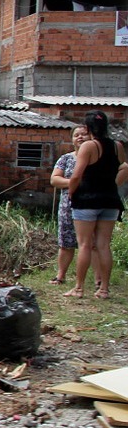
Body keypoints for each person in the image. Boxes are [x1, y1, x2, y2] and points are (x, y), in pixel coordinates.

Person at [66, 111, 126, 299]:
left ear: (88, 128)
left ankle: (79, 288)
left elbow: (76, 176)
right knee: (103, 245)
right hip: (110, 200)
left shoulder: (88, 146)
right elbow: (123, 166)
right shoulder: (117, 146)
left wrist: (71, 192)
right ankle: (104, 289)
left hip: (87, 200)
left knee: (84, 244)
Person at [50, 126, 93, 284]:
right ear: (72, 139)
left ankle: (97, 281)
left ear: (91, 137)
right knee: (66, 243)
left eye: (84, 134)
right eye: (76, 135)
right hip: (68, 206)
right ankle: (60, 276)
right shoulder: (66, 159)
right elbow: (55, 179)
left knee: (92, 243)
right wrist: (74, 183)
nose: (80, 137)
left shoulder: (96, 159)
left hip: (91, 206)